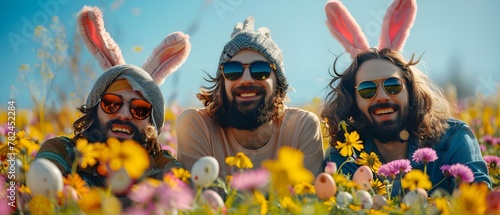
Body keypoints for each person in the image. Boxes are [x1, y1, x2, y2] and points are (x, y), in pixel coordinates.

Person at [321, 0, 491, 195]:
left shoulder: (453, 139)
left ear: (410, 90)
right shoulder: (345, 158)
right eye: (367, 89)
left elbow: (479, 200)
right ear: (354, 100)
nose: (382, 96)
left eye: (393, 85)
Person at [35, 6, 191, 187]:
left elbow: (179, 194)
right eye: (111, 104)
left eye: (139, 109)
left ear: (151, 124)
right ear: (94, 108)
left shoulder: (163, 165)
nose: (124, 114)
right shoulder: (62, 151)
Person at [176, 16, 324, 180]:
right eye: (233, 70)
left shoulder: (301, 128)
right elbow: (201, 201)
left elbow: (308, 202)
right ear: (222, 83)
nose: (246, 79)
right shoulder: (197, 126)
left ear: (278, 84)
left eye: (260, 70)